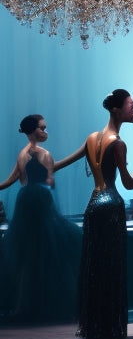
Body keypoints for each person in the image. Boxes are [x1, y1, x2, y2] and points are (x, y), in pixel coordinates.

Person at [55, 90, 133, 339]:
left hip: (93, 206)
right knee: (111, 268)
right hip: (111, 208)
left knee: (95, 268)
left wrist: (44, 165)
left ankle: (95, 326)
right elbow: (129, 184)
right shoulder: (118, 143)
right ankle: (109, 327)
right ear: (116, 110)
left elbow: (60, 163)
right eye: (131, 105)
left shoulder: (92, 138)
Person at [0, 115, 82, 323]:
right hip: (40, 201)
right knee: (46, 251)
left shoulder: (23, 154)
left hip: (27, 200)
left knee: (30, 254)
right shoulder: (43, 154)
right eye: (43, 129)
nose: (46, 132)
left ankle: (27, 305)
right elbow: (50, 180)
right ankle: (46, 305)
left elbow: (13, 179)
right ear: (33, 131)